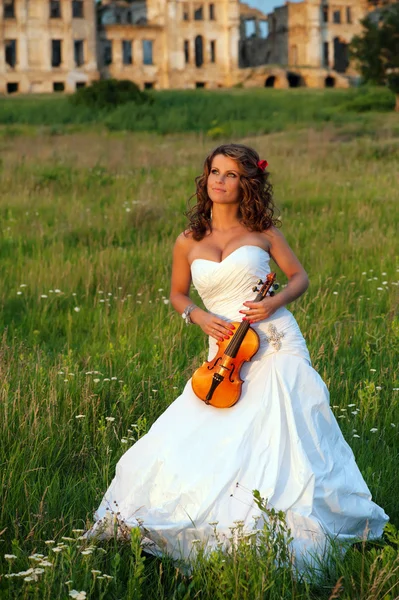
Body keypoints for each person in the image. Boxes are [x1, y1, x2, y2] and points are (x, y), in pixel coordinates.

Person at [87, 143, 388, 573]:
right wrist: (198, 316)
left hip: (276, 340)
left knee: (284, 431)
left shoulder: (263, 231)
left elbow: (299, 277)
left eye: (231, 174)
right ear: (205, 178)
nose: (220, 181)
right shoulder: (188, 240)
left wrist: (274, 301)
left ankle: (290, 516)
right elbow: (177, 294)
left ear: (245, 182)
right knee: (203, 433)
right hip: (224, 352)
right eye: (215, 172)